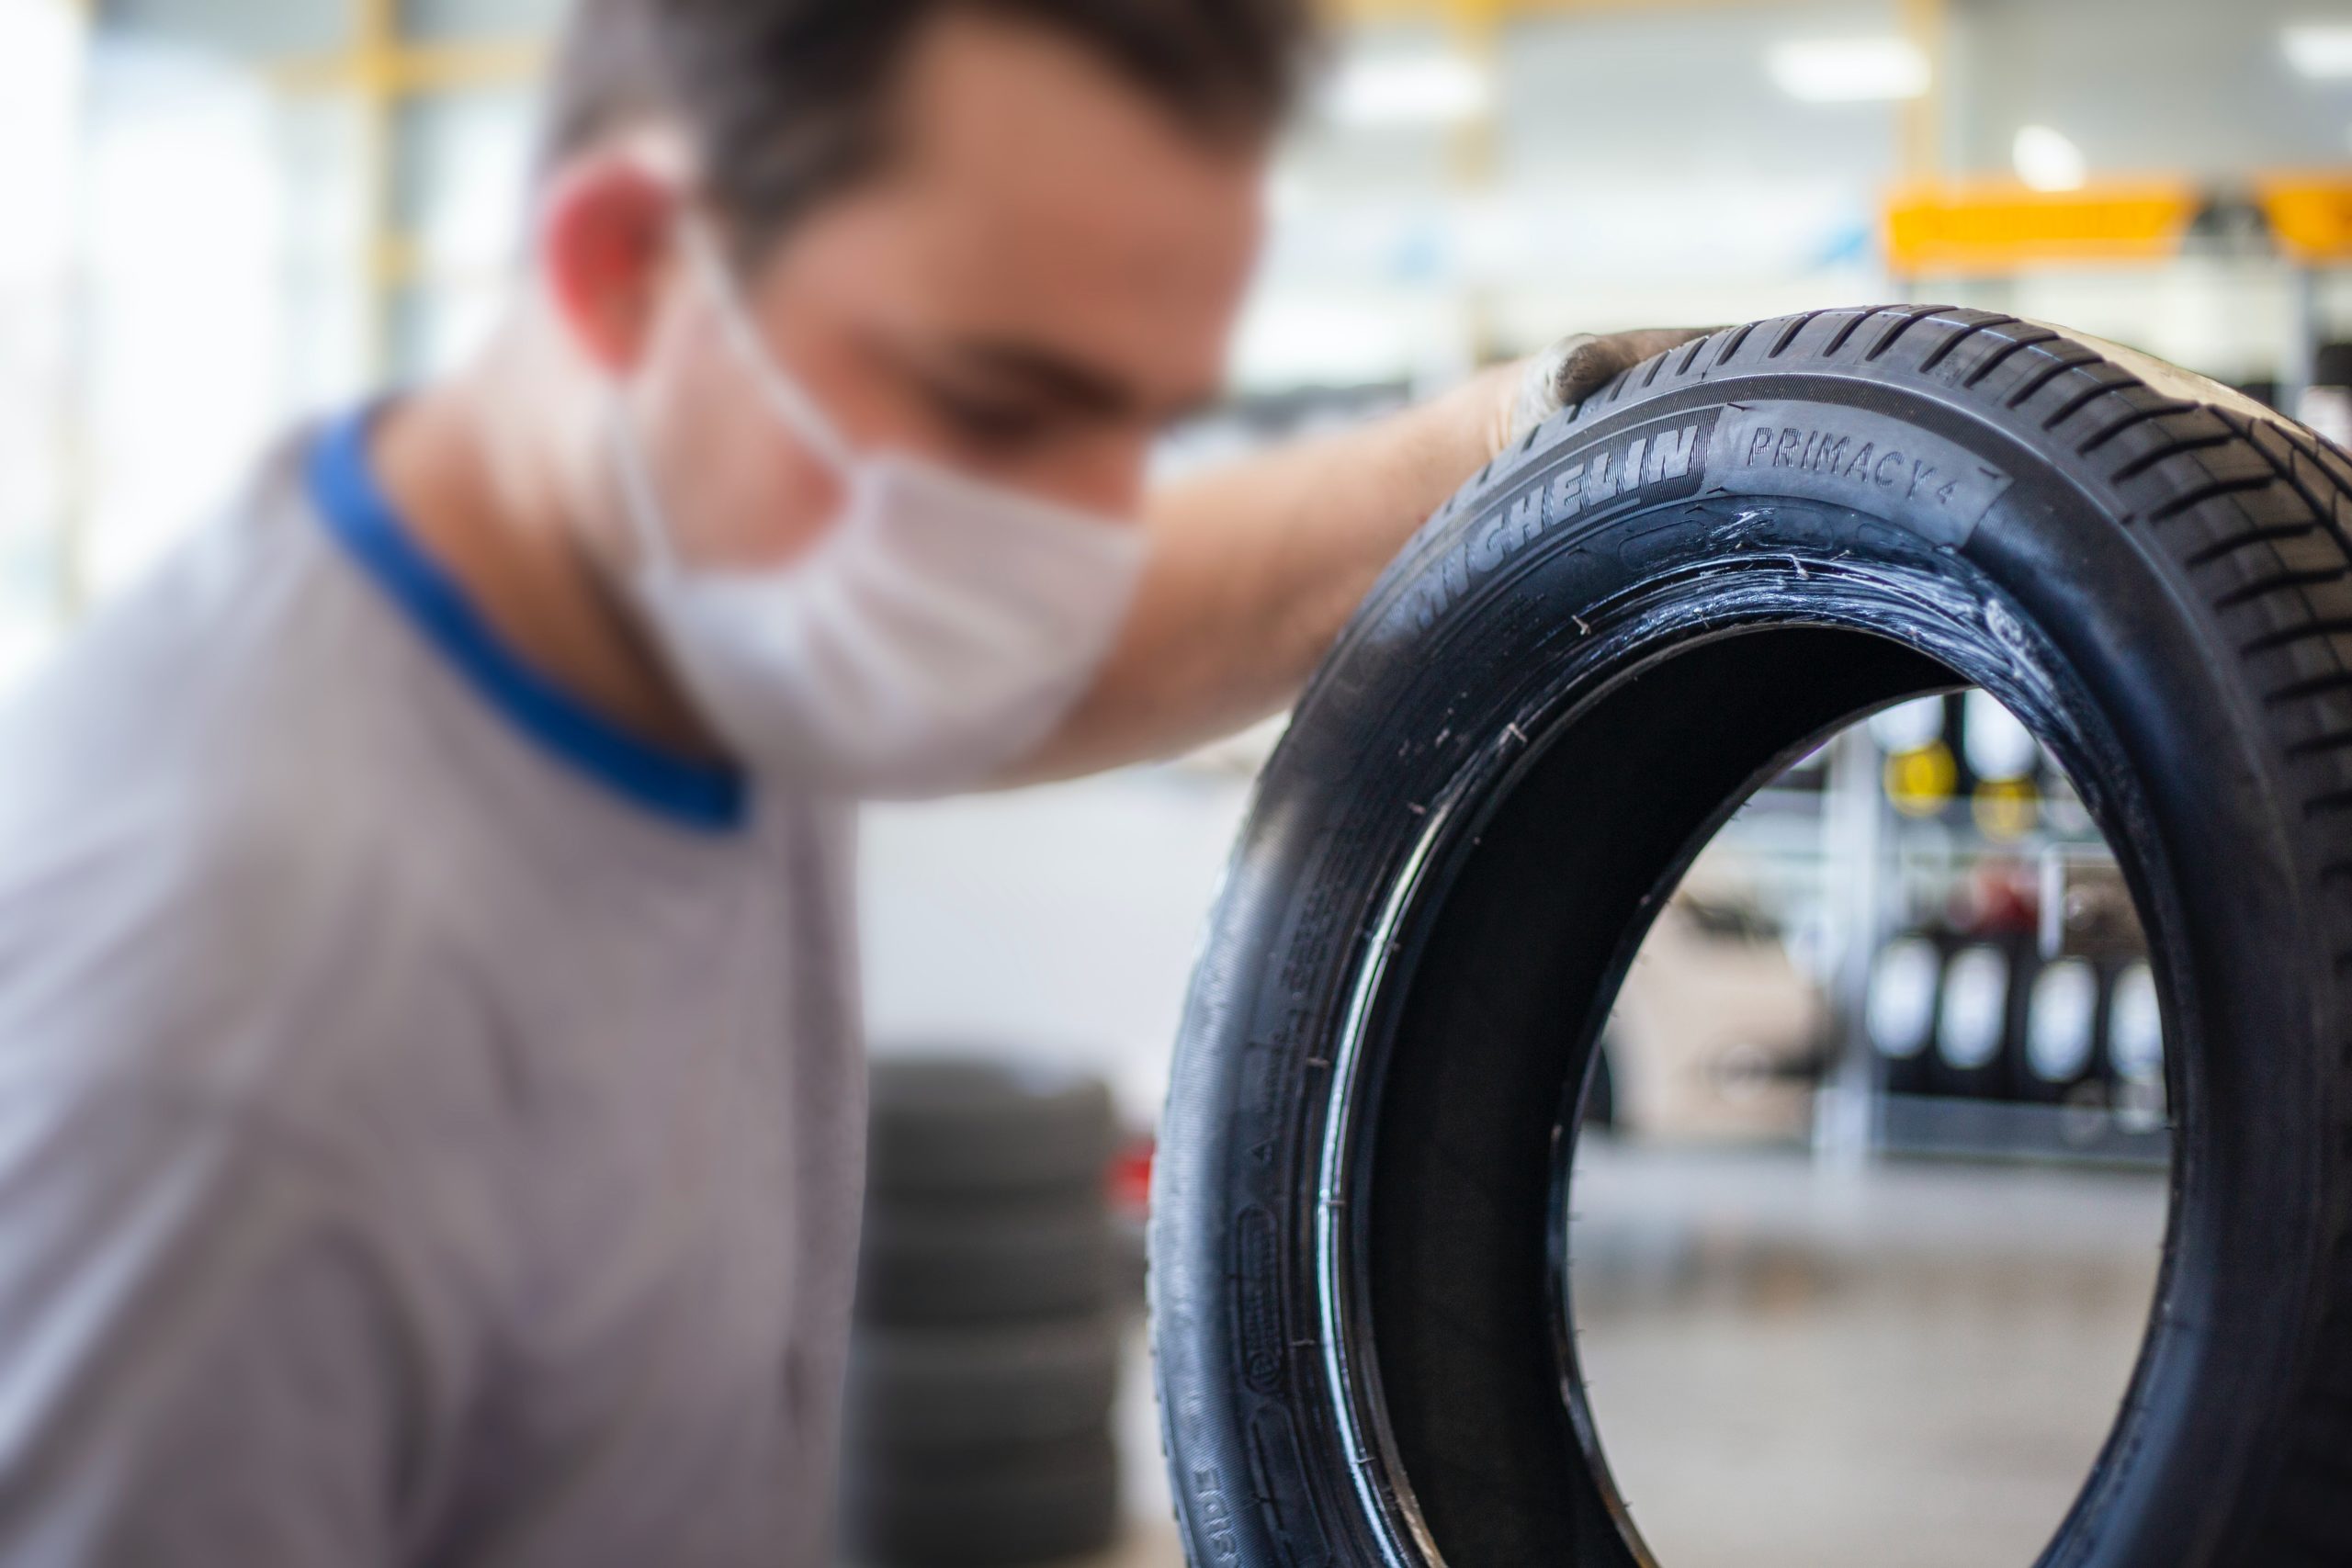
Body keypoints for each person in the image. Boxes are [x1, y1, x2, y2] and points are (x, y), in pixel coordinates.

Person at [0, 1, 1694, 1562]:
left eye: (1128, 417)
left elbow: (1140, 609)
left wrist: (1524, 435)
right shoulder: (226, 1031)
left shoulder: (708, 593)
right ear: (628, 270)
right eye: (1000, 402)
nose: (1073, 518)